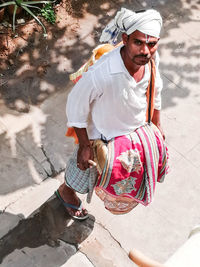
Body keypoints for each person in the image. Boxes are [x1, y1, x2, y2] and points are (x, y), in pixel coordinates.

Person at [55, 8, 168, 220]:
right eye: (138, 43)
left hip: (133, 135)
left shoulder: (152, 60)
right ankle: (66, 191)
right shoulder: (103, 73)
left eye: (152, 44)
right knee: (82, 172)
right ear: (125, 39)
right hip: (101, 139)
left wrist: (157, 124)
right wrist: (85, 146)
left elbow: (156, 88)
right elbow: (75, 105)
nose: (145, 50)